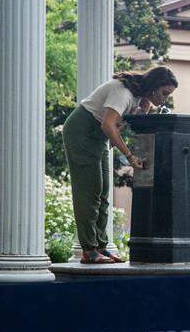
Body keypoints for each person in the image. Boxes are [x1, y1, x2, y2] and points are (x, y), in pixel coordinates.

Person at [64, 66, 178, 264]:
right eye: (164, 93)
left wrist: (144, 107)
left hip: (97, 137)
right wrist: (130, 156)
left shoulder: (137, 96)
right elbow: (108, 125)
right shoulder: (123, 93)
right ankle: (89, 250)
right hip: (82, 131)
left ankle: (100, 246)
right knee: (89, 192)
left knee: (102, 194)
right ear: (153, 86)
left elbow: (133, 120)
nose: (165, 98)